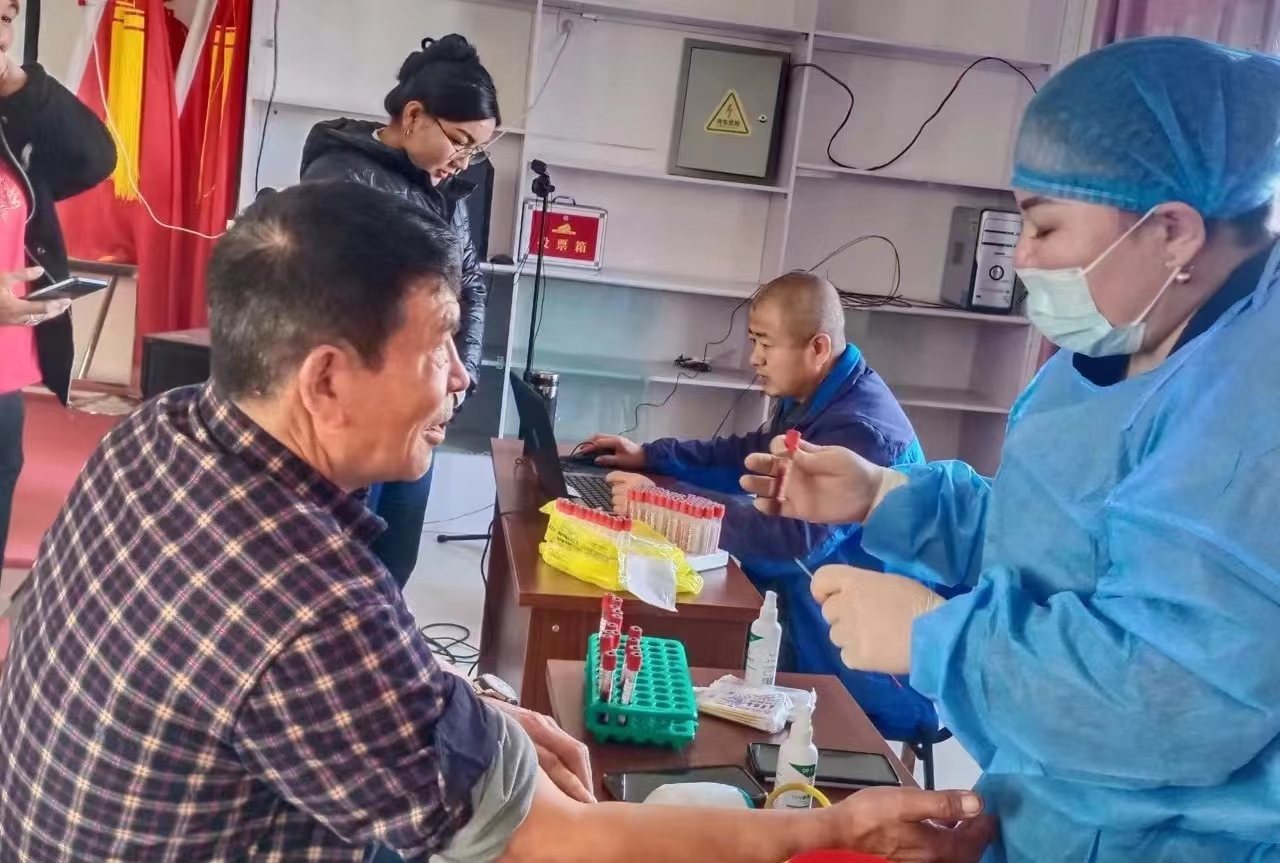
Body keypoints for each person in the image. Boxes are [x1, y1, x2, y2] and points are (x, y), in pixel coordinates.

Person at [0, 182, 993, 862]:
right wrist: (830, 825)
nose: (462, 379)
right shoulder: (308, 602)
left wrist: (466, 708)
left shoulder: (162, 430)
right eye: (438, 347)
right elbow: (564, 842)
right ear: (328, 378)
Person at [741, 36, 1280, 863]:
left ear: (1172, 231)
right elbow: (1054, 533)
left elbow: (1171, 699)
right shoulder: (1125, 344)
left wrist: (941, 637)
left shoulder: (1252, 406)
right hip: (1048, 811)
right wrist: (884, 495)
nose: (1021, 255)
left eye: (1045, 224)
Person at [582, 272, 943, 743]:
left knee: (695, 633)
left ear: (817, 347)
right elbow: (748, 455)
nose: (754, 358)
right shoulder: (818, 395)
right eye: (754, 342)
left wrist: (662, 503)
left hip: (869, 662)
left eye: (765, 344)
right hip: (810, 614)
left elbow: (789, 541)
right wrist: (651, 456)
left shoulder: (861, 431)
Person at [299, 33, 498, 589]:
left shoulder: (441, 186)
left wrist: (459, 383)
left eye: (476, 151)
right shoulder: (341, 179)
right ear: (413, 116)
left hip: (422, 409)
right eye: (460, 141)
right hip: (361, 416)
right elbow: (341, 315)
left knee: (394, 566)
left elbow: (470, 284)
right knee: (340, 572)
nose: (463, 160)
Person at [0, 0, 115, 568]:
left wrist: (17, 83)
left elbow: (93, 157)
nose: (1, 33)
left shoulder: (7, 129)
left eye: (5, 19)